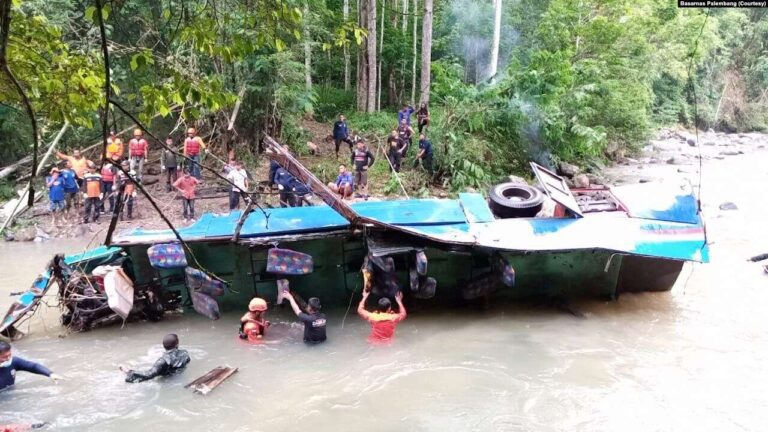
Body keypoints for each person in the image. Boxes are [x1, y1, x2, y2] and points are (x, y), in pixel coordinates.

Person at [120, 334, 190, 383]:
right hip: (181, 379)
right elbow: (186, 362)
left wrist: (128, 371)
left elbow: (149, 375)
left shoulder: (163, 360)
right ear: (177, 344)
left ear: (163, 346)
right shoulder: (185, 354)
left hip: (166, 383)